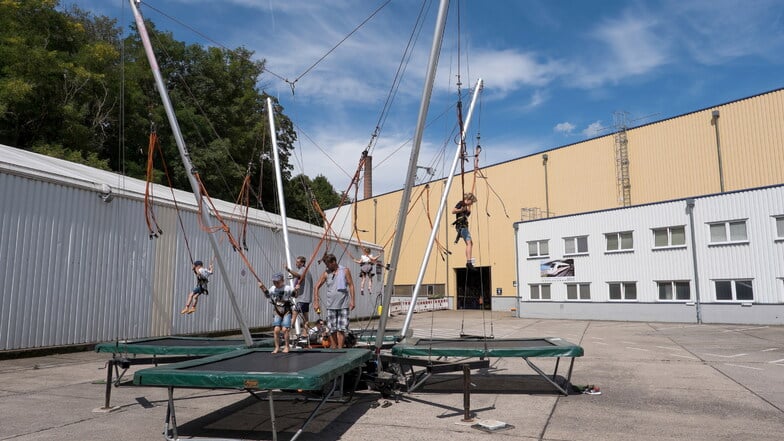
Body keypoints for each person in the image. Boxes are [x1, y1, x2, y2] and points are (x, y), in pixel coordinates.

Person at [313, 253, 355, 349]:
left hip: (343, 304)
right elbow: (316, 287)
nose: (327, 267)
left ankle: (340, 348)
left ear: (334, 262)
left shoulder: (345, 271)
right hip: (330, 305)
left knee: (341, 328)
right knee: (332, 329)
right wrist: (316, 302)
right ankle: (334, 347)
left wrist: (353, 301)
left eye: (328, 264)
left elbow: (351, 285)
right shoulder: (326, 273)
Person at [259, 273, 297, 354]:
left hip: (286, 310)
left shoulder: (287, 288)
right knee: (276, 330)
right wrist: (262, 287)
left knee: (284, 329)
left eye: (277, 282)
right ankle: (277, 347)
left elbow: (294, 295)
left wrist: (296, 289)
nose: (276, 284)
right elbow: (268, 295)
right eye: (274, 282)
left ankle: (287, 346)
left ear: (282, 281)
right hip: (277, 310)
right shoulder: (273, 288)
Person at [286, 256, 314, 345]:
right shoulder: (307, 271)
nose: (296, 263)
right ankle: (305, 334)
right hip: (306, 298)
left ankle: (287, 333)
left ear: (302, 263)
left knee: (293, 314)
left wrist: (288, 270)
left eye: (298, 262)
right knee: (305, 317)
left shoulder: (303, 270)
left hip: (302, 298)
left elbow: (298, 276)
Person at [452, 192, 478, 270]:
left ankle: (469, 262)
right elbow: (453, 211)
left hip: (464, 227)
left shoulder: (466, 206)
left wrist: (468, 209)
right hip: (461, 226)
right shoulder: (461, 203)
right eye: (472, 202)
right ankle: (469, 262)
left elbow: (466, 215)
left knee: (470, 243)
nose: (472, 203)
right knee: (469, 243)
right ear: (468, 200)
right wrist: (461, 209)